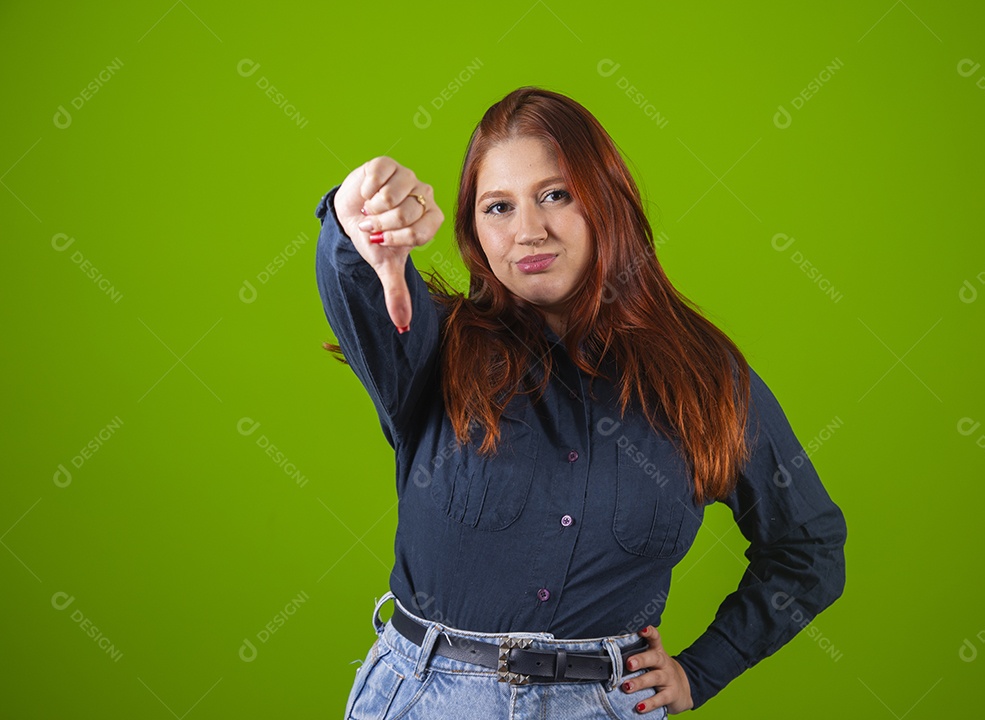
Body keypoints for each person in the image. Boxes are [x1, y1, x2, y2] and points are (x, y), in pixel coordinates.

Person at [314, 86, 847, 718]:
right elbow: (356, 280)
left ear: (607, 201)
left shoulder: (706, 377)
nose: (527, 231)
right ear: (473, 230)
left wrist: (702, 672)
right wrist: (351, 220)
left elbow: (807, 547)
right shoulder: (433, 347)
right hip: (427, 699)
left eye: (555, 195)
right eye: (498, 207)